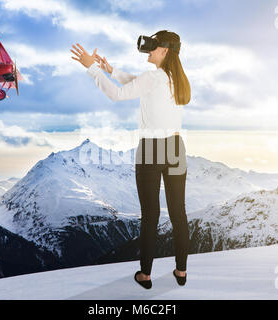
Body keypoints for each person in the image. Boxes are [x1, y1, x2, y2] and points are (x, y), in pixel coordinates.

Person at [70, 30, 191, 289]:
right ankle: (181, 272)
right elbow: (138, 83)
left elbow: (117, 94)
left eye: (154, 46)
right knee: (178, 213)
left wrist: (93, 70)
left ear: (165, 51)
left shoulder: (153, 78)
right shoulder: (175, 79)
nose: (149, 49)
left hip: (151, 149)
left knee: (150, 215)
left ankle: (145, 275)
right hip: (176, 148)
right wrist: (111, 69)